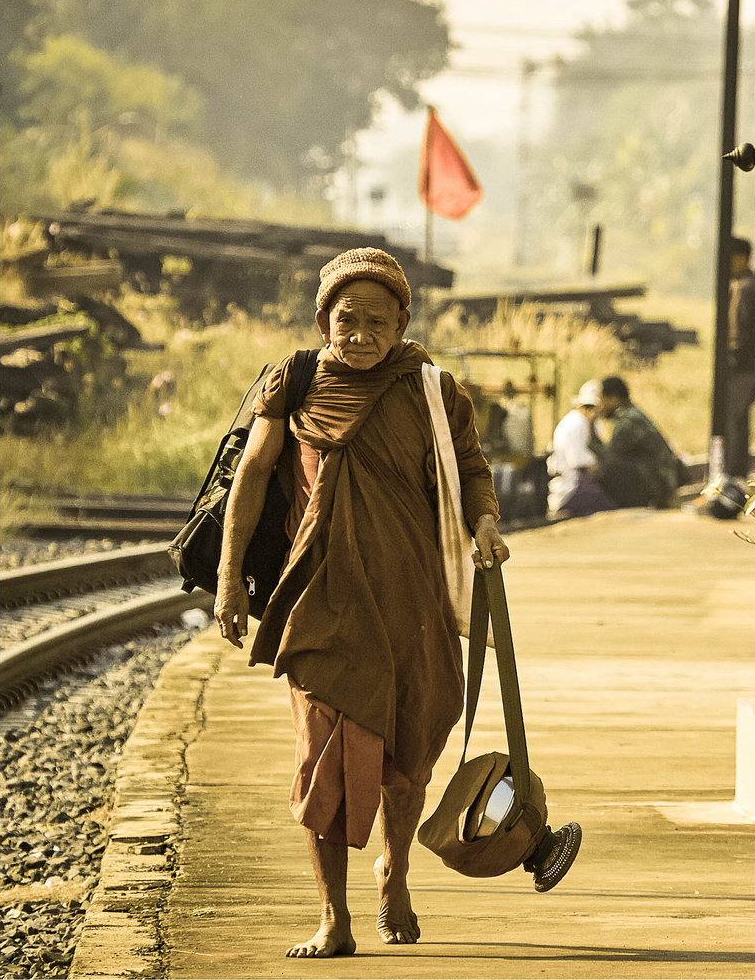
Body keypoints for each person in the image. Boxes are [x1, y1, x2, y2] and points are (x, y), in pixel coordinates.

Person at [213, 248, 581, 960]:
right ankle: (333, 917)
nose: (359, 334)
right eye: (346, 319)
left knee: (409, 753)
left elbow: (473, 470)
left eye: (376, 321)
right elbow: (251, 478)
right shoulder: (291, 382)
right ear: (324, 320)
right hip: (322, 605)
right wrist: (230, 581)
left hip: (416, 603)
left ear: (402, 322)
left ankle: (396, 873)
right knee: (325, 763)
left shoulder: (433, 390)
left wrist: (486, 523)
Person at [709, 237, 755, 518]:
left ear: (741, 258)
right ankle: (731, 479)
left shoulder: (747, 290)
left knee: (733, 423)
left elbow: (738, 334)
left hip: (744, 370)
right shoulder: (753, 288)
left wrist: (731, 364)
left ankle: (732, 481)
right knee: (735, 422)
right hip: (752, 369)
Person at [593, 376, 682, 509]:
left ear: (613, 399)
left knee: (607, 470)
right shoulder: (631, 412)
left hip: (658, 484)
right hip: (661, 479)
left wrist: (590, 425)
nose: (599, 405)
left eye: (601, 400)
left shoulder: (627, 422)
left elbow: (608, 455)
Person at [548, 380, 616, 518]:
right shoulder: (577, 423)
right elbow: (579, 462)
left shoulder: (587, 423)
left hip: (576, 483)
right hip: (572, 487)